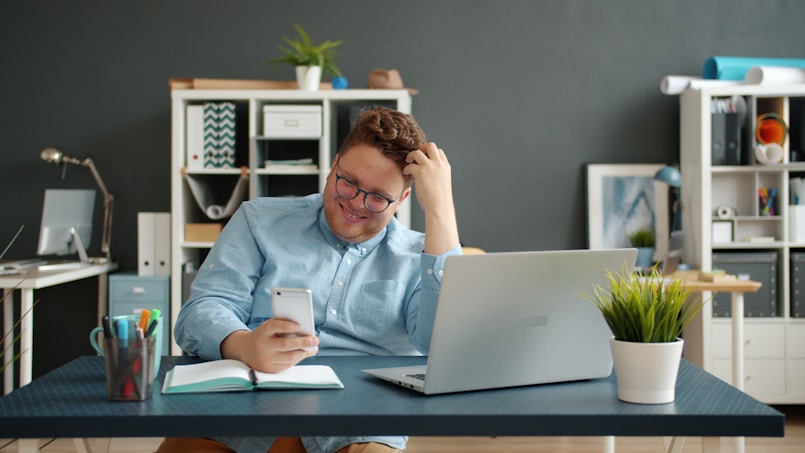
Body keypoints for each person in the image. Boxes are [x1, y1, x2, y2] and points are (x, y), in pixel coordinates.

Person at [158, 107, 461, 453]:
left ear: (402, 199)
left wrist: (441, 211)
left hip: (361, 426)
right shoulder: (259, 221)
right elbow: (201, 310)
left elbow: (443, 346)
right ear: (333, 166)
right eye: (348, 182)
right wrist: (242, 344)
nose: (356, 204)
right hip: (245, 415)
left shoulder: (420, 257)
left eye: (378, 197)